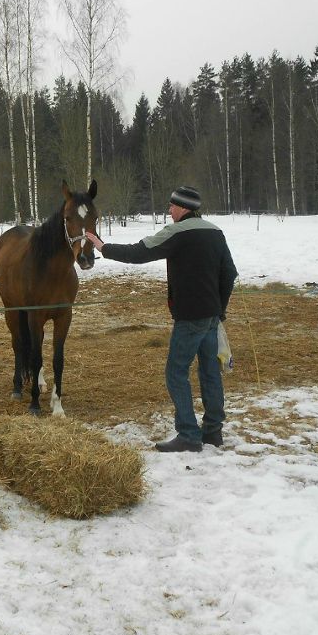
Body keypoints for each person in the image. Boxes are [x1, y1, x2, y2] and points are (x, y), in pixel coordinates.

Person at [85, 186, 238, 453]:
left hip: (189, 317)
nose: (169, 210)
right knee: (210, 372)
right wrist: (219, 309)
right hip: (211, 316)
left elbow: (139, 252)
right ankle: (213, 432)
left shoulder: (177, 233)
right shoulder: (215, 232)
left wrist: (103, 247)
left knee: (176, 373)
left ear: (184, 208)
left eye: (172, 206)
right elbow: (229, 273)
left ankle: (188, 435)